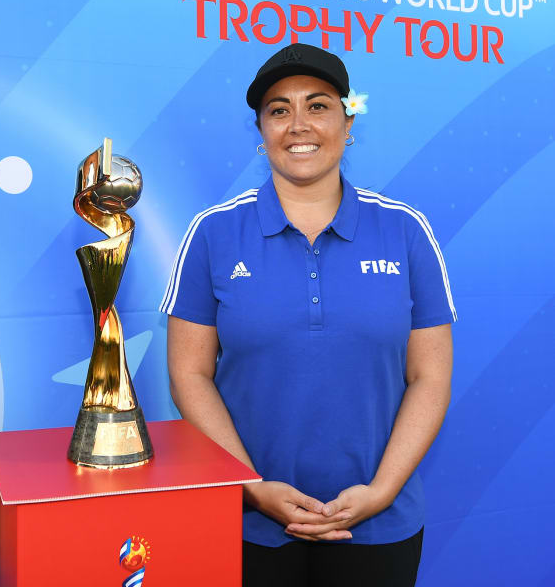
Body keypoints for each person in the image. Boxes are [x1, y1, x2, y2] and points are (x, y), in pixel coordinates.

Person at [160, 43, 455, 587]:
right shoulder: (213, 234)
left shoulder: (405, 231)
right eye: (279, 110)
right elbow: (189, 374)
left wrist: (383, 491)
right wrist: (252, 487)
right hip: (247, 526)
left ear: (348, 121)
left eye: (317, 105)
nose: (298, 125)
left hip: (378, 527)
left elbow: (429, 377)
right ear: (261, 131)